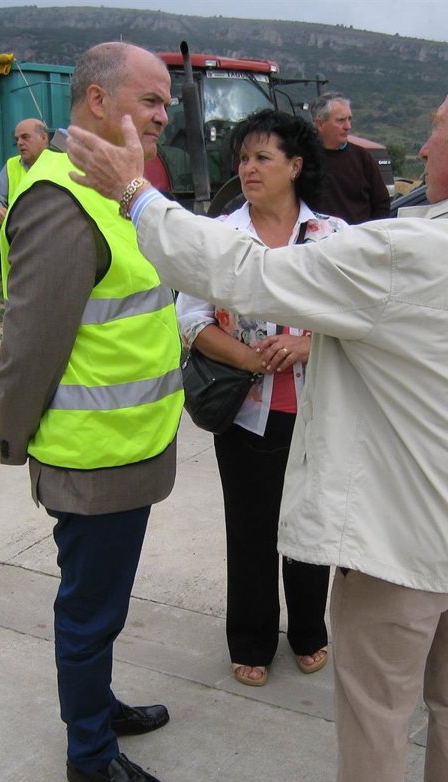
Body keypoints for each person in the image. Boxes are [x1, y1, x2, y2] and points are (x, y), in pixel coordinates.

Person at [67, 69, 448, 782]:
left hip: (399, 552)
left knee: (378, 717)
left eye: (439, 125)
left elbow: (243, 273)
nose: (423, 143)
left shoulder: (408, 253)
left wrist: (136, 194)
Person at [0, 42, 180, 782]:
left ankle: (97, 703)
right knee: (90, 610)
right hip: (91, 457)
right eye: (150, 100)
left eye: (166, 102)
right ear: (98, 102)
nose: (164, 115)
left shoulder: (117, 190)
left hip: (132, 448)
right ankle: (90, 752)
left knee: (106, 604)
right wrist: (15, 439)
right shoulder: (59, 199)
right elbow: (30, 342)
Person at [177, 110, 344, 688]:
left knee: (310, 526)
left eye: (263, 157)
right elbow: (191, 321)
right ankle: (250, 639)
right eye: (243, 158)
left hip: (319, 412)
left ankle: (309, 631)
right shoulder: (220, 237)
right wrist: (251, 360)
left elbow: (362, 319)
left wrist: (306, 346)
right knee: (250, 530)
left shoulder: (333, 236)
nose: (248, 168)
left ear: (295, 166)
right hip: (247, 415)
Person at [309, 92, 390, 224]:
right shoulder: (304, 159)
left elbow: (382, 203)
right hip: (317, 236)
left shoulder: (362, 157)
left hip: (358, 235)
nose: (348, 127)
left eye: (349, 119)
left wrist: (370, 232)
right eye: (341, 120)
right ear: (320, 124)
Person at [0, 118, 50, 226]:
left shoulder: (60, 164)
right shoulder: (11, 166)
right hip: (19, 234)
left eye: (25, 137)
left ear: (43, 138)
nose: (19, 142)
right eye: (17, 139)